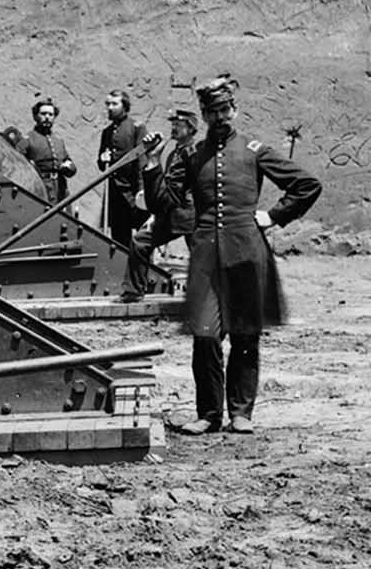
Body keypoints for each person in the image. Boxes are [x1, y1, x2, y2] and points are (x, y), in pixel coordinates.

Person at [143, 77, 321, 434]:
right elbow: (164, 204)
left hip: (247, 253)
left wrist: (273, 215)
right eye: (214, 111)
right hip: (206, 256)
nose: (221, 117)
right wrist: (151, 164)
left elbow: (307, 185)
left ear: (234, 110)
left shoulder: (254, 150)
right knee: (205, 335)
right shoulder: (191, 155)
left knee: (245, 335)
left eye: (226, 109)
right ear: (205, 116)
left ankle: (241, 412)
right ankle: (208, 414)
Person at [125, 107, 200, 299]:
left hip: (187, 215)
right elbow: (166, 189)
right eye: (173, 124)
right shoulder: (175, 153)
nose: (174, 128)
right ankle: (134, 292)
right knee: (140, 242)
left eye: (179, 125)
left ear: (191, 129)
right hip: (173, 213)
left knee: (202, 256)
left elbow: (183, 189)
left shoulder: (192, 153)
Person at [97, 89, 148, 272]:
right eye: (107, 104)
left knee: (143, 236)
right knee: (119, 236)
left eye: (114, 104)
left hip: (135, 191)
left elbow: (142, 160)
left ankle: (143, 272)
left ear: (124, 106)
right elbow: (101, 164)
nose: (109, 108)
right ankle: (122, 273)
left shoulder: (136, 128)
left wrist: (142, 189)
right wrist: (102, 160)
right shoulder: (106, 132)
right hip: (115, 193)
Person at [17, 95, 75, 202]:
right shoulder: (28, 139)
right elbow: (18, 165)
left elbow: (70, 163)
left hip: (60, 190)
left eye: (51, 114)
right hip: (40, 189)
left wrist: (68, 167)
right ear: (35, 117)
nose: (47, 117)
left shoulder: (58, 141)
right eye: (43, 114)